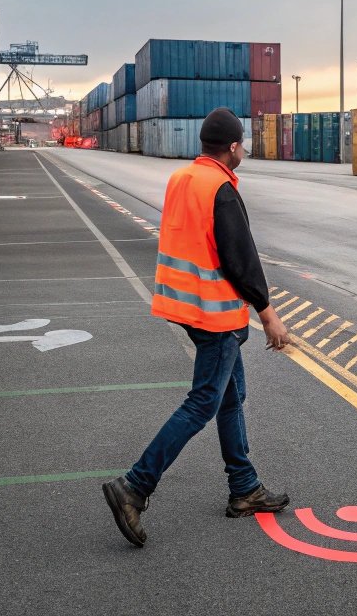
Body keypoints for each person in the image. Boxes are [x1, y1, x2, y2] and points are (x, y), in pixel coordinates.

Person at [103, 107, 290, 547]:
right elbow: (241, 259)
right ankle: (135, 486)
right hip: (215, 312)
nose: (243, 149)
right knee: (204, 401)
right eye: (241, 143)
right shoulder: (221, 187)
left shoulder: (182, 178)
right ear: (231, 147)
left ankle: (244, 488)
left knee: (230, 396)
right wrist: (268, 314)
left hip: (185, 306)